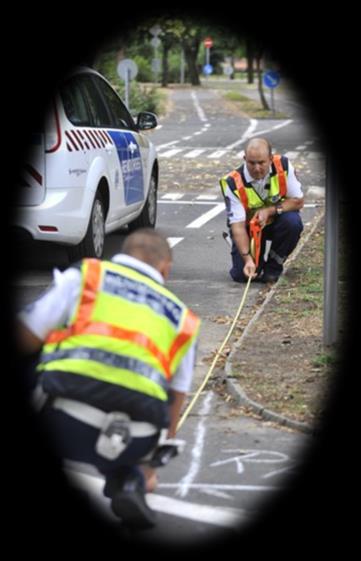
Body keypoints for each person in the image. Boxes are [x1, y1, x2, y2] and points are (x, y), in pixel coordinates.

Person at [16, 228, 200, 529]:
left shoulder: (87, 276)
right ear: (165, 269)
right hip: (134, 439)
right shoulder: (184, 319)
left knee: (38, 341)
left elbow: (28, 333)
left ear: (121, 255)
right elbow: (175, 401)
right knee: (146, 403)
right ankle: (131, 482)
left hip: (65, 419)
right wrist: (150, 465)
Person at [219, 137, 304, 283]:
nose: (257, 168)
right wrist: (247, 260)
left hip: (277, 221)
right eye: (251, 163)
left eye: (261, 163)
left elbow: (298, 201)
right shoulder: (232, 183)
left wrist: (270, 211)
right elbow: (238, 227)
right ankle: (249, 257)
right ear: (245, 159)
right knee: (243, 275)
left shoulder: (283, 166)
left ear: (270, 159)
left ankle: (273, 266)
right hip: (249, 229)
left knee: (293, 222)